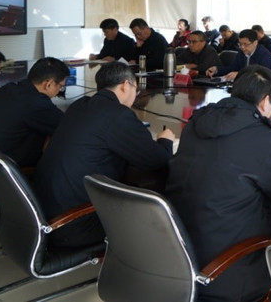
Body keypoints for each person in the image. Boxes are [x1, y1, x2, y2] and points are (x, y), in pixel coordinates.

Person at [165, 65, 271, 302]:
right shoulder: (262, 137)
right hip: (228, 270)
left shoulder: (197, 122)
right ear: (266, 101)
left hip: (180, 256)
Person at [34, 62, 175, 248]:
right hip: (71, 224)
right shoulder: (117, 114)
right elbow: (156, 159)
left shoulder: (79, 105)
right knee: (154, 207)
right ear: (125, 85)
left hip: (42, 213)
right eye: (136, 89)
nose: (136, 94)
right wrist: (165, 141)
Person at [0, 57, 68, 167]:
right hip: (13, 168)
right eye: (61, 87)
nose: (59, 91)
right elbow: (68, 127)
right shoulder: (37, 104)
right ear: (49, 83)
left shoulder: (8, 88)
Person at [206, 28, 271, 80]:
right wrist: (216, 70)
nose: (242, 47)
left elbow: (263, 75)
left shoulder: (263, 54)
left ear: (255, 43)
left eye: (246, 44)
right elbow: (232, 68)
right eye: (240, 44)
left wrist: (240, 75)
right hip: (245, 86)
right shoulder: (241, 52)